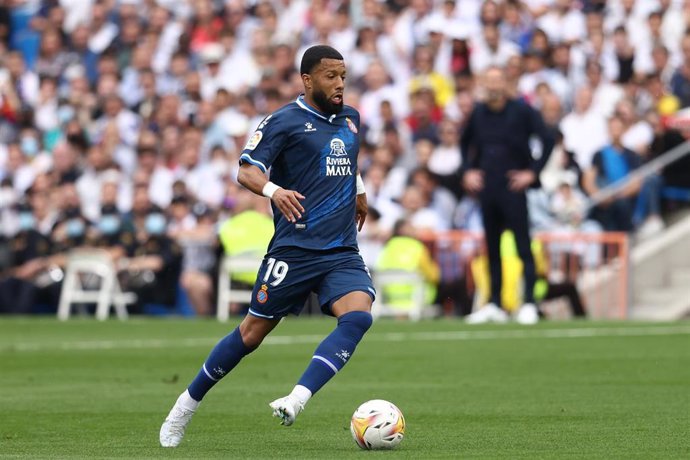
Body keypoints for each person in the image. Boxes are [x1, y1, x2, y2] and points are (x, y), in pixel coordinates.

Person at [159, 45, 373, 447]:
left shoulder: (351, 117)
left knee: (359, 317)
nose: (340, 83)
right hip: (293, 249)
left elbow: (348, 159)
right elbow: (246, 170)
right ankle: (185, 405)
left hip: (341, 248)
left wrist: (359, 190)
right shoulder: (284, 121)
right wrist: (274, 191)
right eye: (331, 76)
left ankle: (297, 398)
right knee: (252, 334)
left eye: (343, 75)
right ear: (307, 80)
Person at [461, 66, 554, 325]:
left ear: (505, 83)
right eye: (488, 81)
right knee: (492, 248)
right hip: (488, 189)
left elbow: (547, 139)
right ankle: (495, 303)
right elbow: (463, 143)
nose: (493, 86)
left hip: (514, 189)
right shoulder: (478, 113)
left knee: (523, 246)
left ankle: (529, 304)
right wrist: (468, 171)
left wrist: (532, 173)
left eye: (497, 80)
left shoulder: (522, 111)